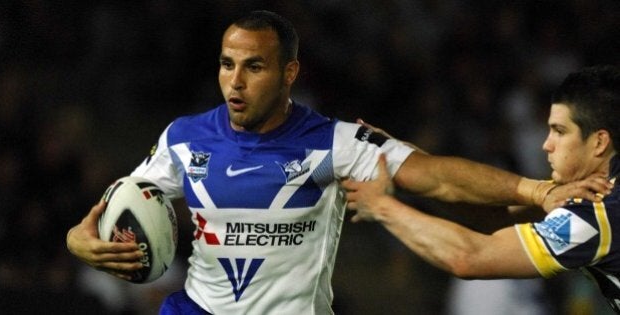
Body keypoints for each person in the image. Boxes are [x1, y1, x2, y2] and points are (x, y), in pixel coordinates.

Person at [66, 11, 609, 314]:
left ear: (289, 73)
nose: (235, 80)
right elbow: (122, 203)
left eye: (253, 66)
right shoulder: (183, 139)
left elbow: (435, 177)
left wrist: (533, 192)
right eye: (227, 65)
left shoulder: (334, 142)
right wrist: (78, 240)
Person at [342, 65, 620, 313]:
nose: (546, 144)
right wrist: (405, 164)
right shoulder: (591, 192)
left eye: (559, 131)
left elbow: (470, 257)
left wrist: (381, 206)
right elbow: (493, 217)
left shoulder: (598, 211)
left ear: (599, 142)